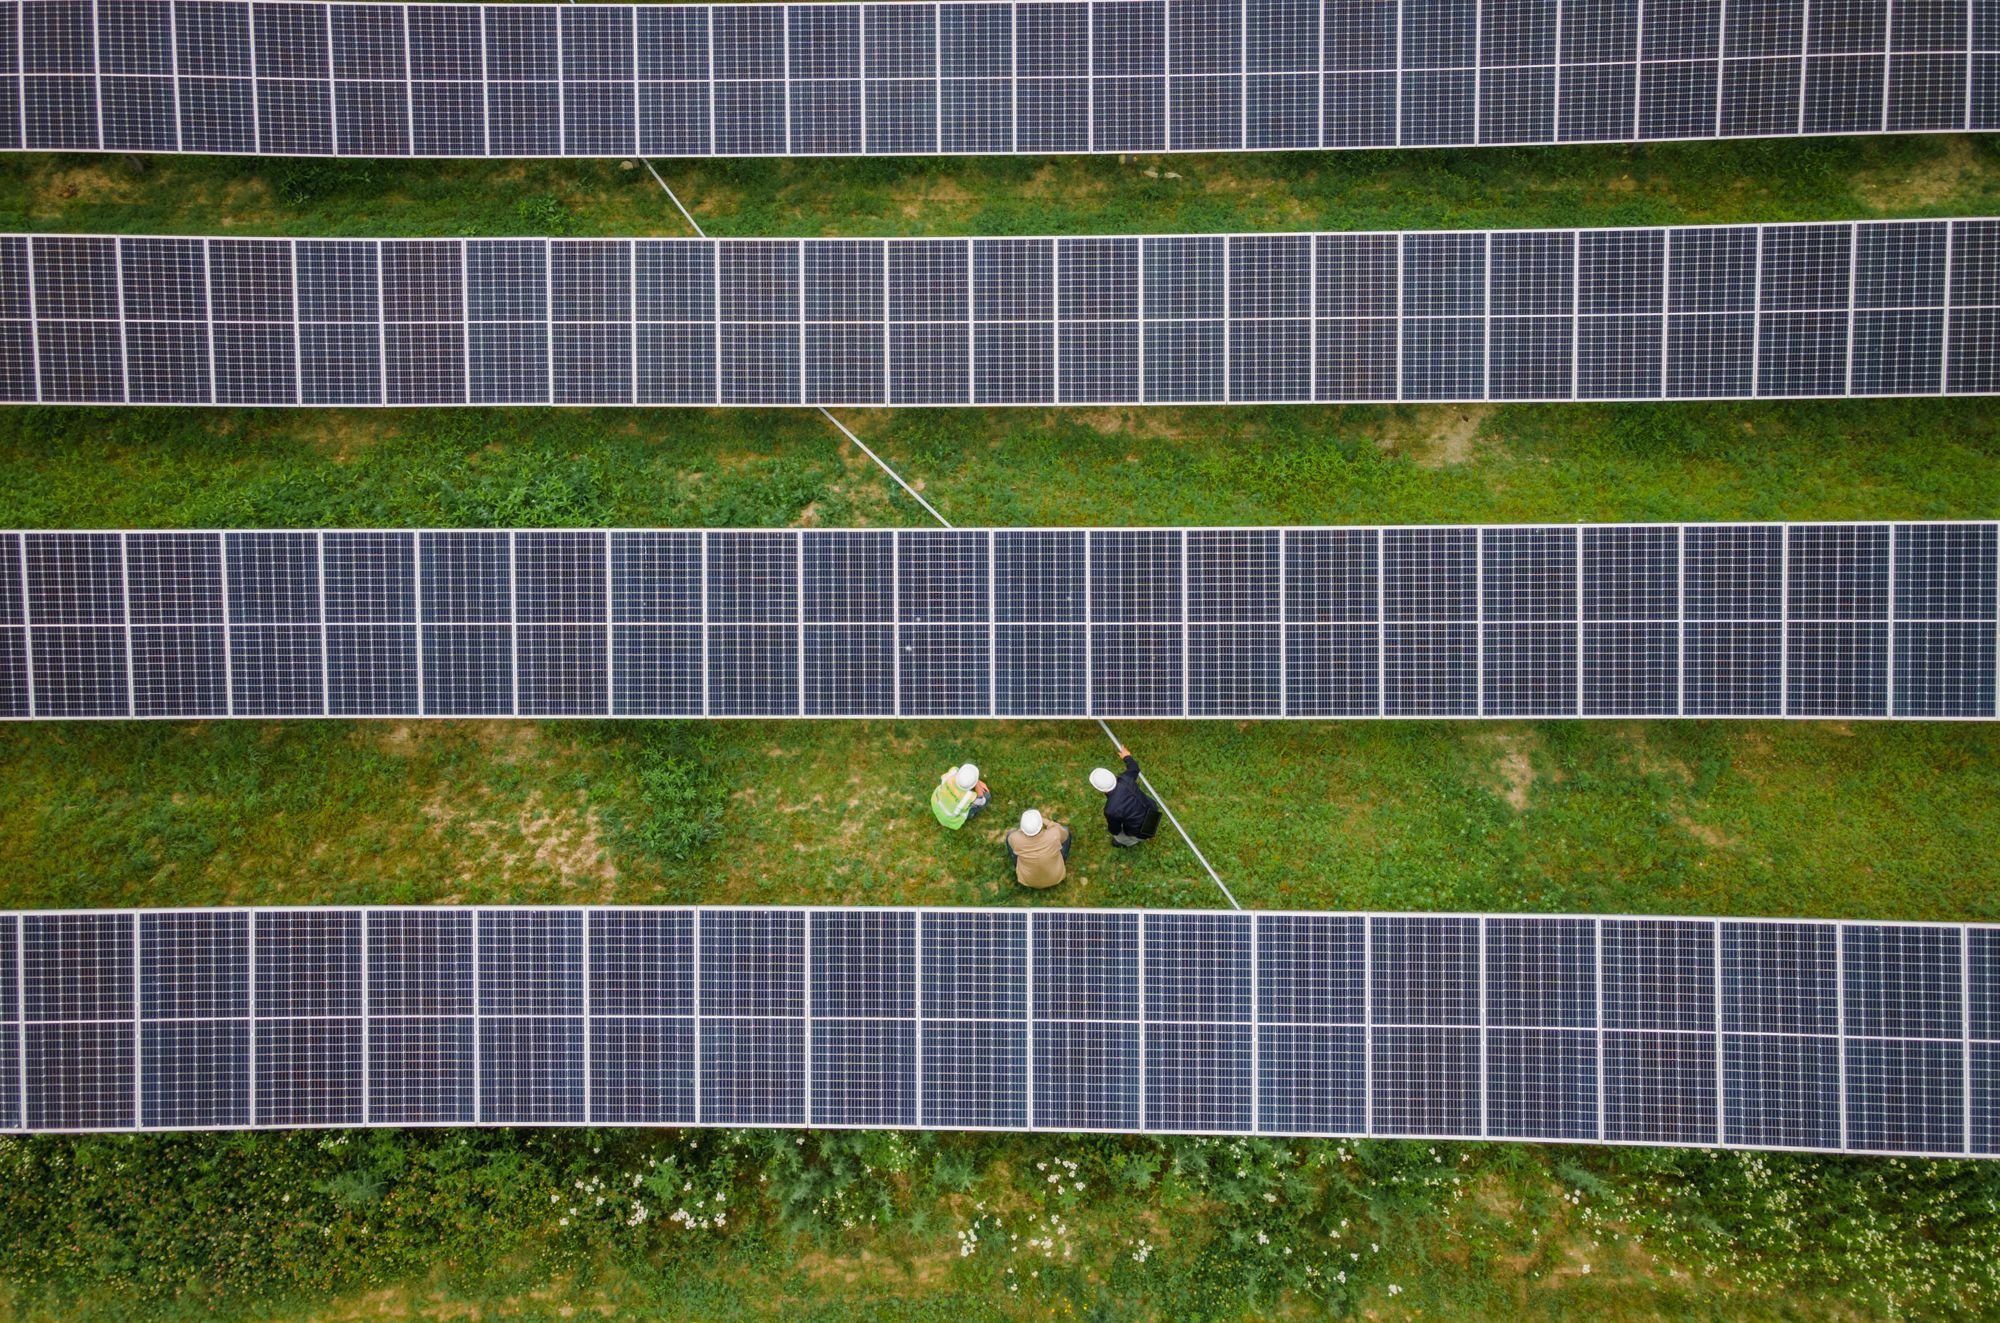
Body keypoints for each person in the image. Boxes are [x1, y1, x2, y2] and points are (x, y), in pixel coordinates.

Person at [1091, 745, 1161, 847]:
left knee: (1122, 836)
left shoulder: (1111, 809)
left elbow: (1115, 830)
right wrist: (1127, 757)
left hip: (1140, 830)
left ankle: (1123, 843)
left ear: (1099, 789)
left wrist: (1113, 831)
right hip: (1152, 809)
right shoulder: (1126, 779)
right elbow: (1134, 768)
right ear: (1113, 776)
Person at [1004, 809, 1071, 889]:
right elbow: (1064, 835)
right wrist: (1048, 822)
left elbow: (1012, 838)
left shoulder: (1015, 839)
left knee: (1009, 835)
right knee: (1066, 830)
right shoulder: (1054, 834)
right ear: (1041, 824)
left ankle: (1017, 865)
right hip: (1056, 876)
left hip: (1027, 879)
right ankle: (1062, 860)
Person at [930, 762, 989, 830]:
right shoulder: (969, 796)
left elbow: (957, 771)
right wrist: (977, 783)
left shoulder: (952, 772)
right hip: (950, 819)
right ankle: (970, 815)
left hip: (936, 803)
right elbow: (981, 801)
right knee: (987, 796)